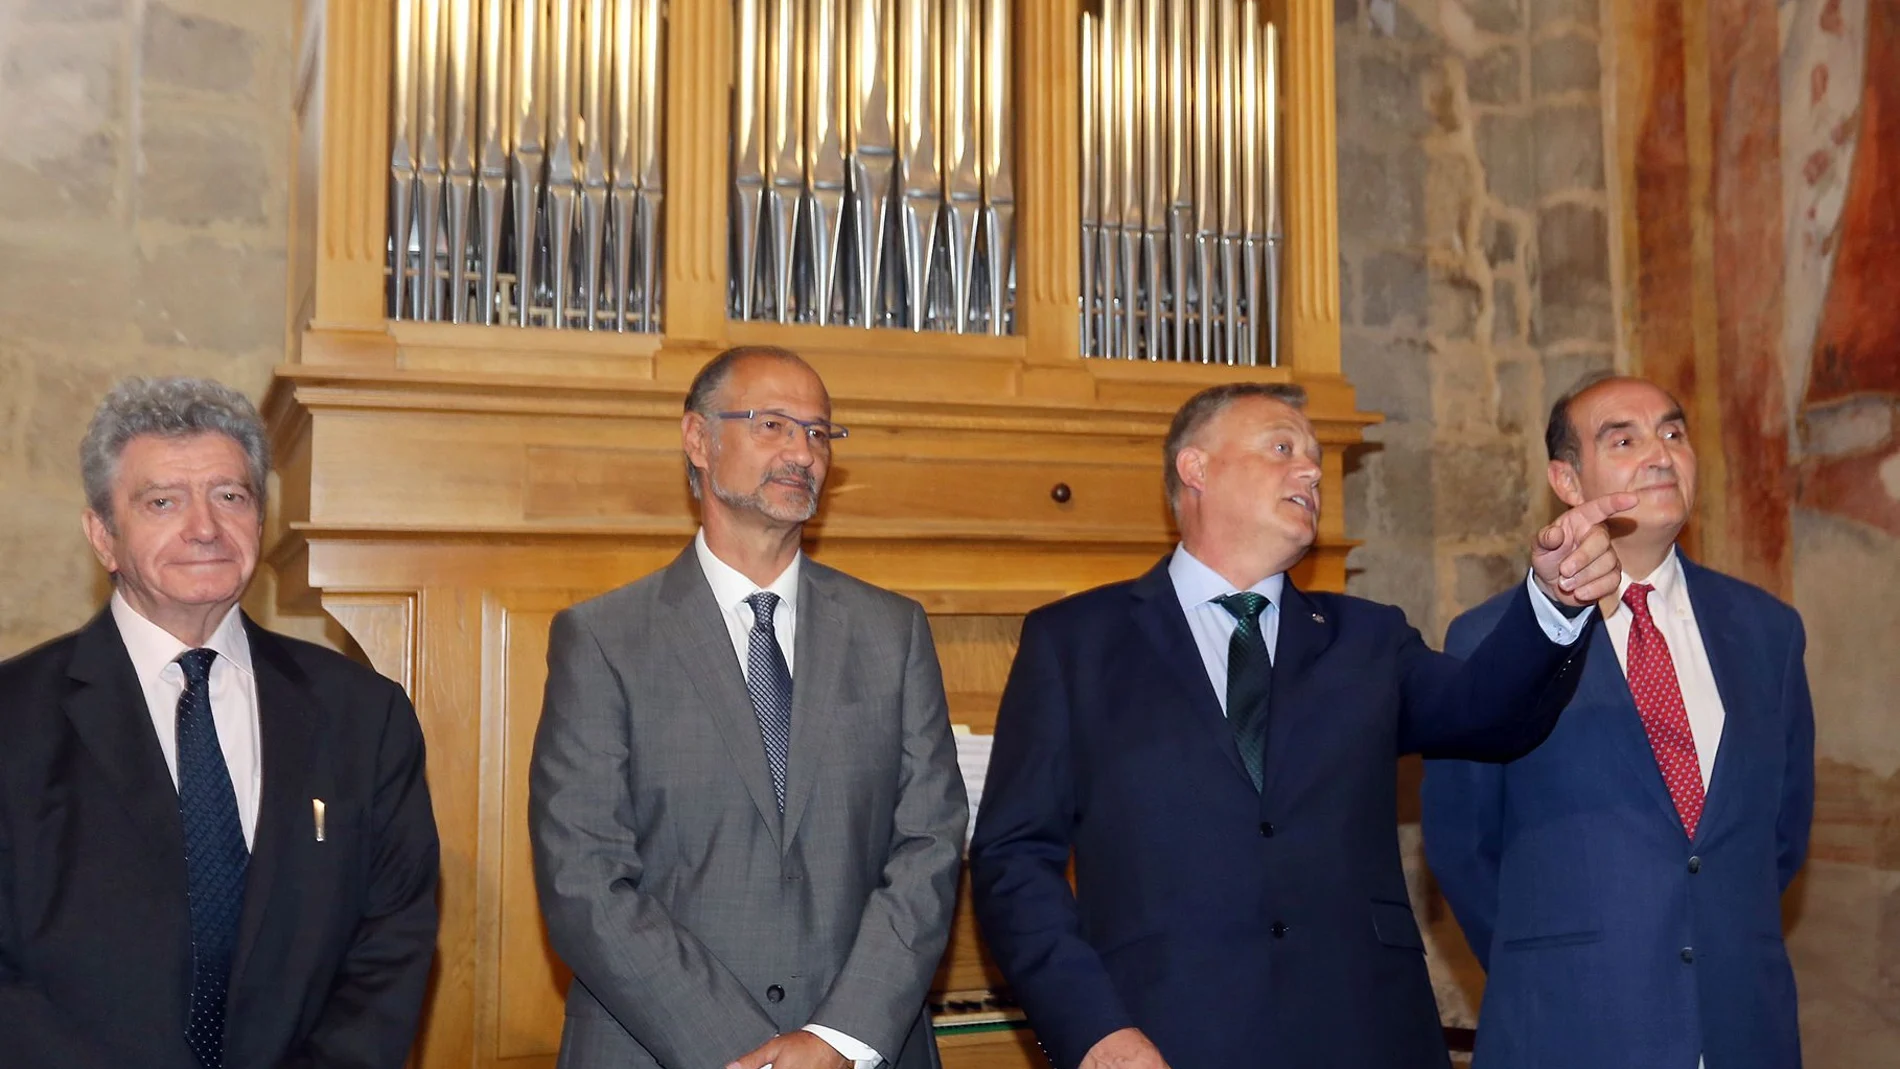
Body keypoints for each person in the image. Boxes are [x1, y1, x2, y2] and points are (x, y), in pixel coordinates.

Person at [968, 382, 1637, 1069]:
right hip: (1162, 1042)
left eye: (1316, 457)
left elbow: (1487, 711)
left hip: (1366, 1037)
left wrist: (1552, 600)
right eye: (1282, 447)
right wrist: (1094, 1030)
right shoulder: (1076, 642)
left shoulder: (1368, 638)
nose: (1313, 470)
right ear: (1195, 468)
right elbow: (1013, 860)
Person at [529, 345, 968, 1069]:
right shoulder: (603, 639)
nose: (803, 451)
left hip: (860, 1051)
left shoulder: (894, 632)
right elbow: (585, 880)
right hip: (661, 1050)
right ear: (698, 439)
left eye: (820, 432)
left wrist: (837, 1037)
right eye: (773, 425)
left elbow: (929, 843)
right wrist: (751, 1054)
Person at [0, 377, 440, 1068]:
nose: (204, 527)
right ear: (102, 535)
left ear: (259, 520)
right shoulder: (12, 718)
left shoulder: (364, 714)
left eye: (230, 495)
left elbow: (390, 948)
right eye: (162, 501)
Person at [1422, 374, 1813, 1069]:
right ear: (1567, 480)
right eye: (1624, 439)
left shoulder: (1768, 631)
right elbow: (1461, 845)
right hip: (1567, 1030)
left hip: (1740, 1031)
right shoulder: (1488, 641)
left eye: (1673, 432)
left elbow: (1777, 838)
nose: (1661, 454)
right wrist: (1551, 960)